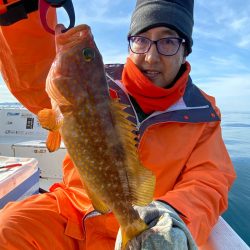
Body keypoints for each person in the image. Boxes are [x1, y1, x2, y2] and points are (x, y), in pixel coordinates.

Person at [0, 0, 236, 249]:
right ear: (130, 44)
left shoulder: (202, 113)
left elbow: (209, 180)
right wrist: (22, 5)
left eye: (168, 42)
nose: (151, 56)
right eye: (141, 40)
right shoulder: (96, 82)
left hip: (149, 221)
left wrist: (173, 214)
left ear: (185, 50)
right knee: (8, 228)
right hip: (75, 212)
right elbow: (32, 73)